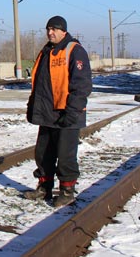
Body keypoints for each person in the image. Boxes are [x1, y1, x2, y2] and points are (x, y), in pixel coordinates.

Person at [23, 15, 92, 206]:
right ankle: (44, 188)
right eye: (48, 29)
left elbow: (82, 85)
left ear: (64, 31)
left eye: (54, 29)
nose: (50, 33)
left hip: (67, 113)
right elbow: (39, 84)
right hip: (47, 113)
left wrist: (73, 111)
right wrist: (32, 107)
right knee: (43, 154)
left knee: (66, 155)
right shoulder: (46, 52)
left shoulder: (74, 51)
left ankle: (67, 191)